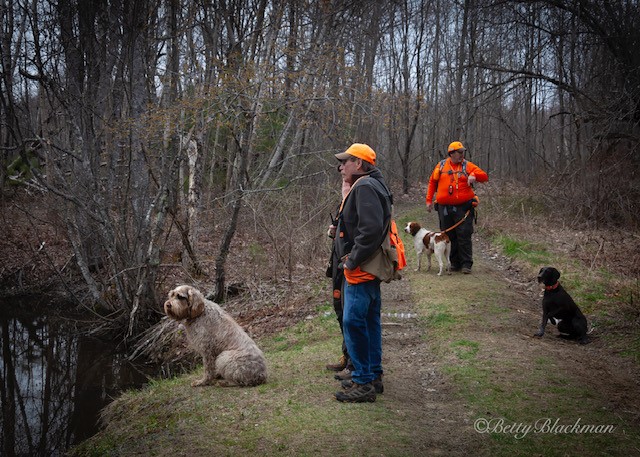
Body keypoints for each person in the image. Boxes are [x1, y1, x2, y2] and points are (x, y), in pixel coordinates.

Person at [332, 143, 391, 403]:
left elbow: (371, 229)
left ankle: (364, 382)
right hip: (369, 267)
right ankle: (373, 375)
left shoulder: (365, 186)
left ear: (359, 164)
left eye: (345, 161)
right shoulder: (372, 184)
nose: (341, 166)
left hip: (361, 268)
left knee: (353, 321)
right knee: (368, 321)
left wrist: (352, 260)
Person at [426, 141, 488, 274]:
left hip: (463, 208)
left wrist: (474, 175)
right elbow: (432, 182)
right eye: (459, 152)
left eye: (462, 152)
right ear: (451, 153)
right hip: (444, 208)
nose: (462, 154)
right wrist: (429, 200)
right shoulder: (441, 166)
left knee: (464, 234)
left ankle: (466, 264)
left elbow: (484, 176)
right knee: (448, 236)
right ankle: (454, 263)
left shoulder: (467, 165)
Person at [325, 179, 354, 378]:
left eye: (348, 183)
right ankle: (347, 356)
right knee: (340, 311)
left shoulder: (359, 203)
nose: (344, 185)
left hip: (350, 268)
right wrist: (333, 233)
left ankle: (354, 364)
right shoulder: (343, 205)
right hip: (337, 266)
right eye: (343, 183)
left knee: (350, 316)